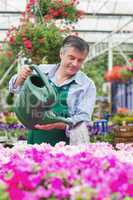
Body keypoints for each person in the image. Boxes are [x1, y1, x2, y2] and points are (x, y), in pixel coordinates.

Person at [9, 35, 96, 145]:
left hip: (65, 145)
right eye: (72, 58)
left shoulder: (86, 85)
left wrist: (58, 124)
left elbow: (83, 119)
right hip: (36, 139)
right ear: (61, 54)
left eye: (80, 60)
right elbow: (15, 89)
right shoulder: (41, 71)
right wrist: (20, 78)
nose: (75, 63)